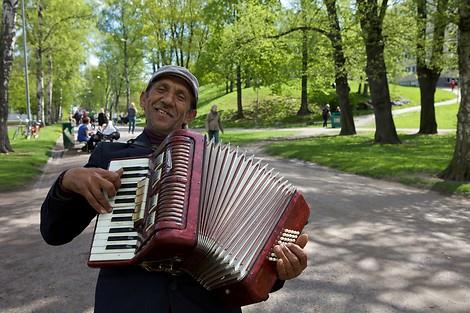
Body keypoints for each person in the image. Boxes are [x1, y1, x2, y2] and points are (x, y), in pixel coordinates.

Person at [40, 65, 308, 313]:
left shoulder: (219, 167)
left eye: (181, 96)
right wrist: (66, 182)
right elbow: (55, 232)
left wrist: (279, 271)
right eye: (161, 89)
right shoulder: (110, 157)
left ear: (190, 114)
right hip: (129, 303)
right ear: (144, 99)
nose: (168, 99)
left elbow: (249, 255)